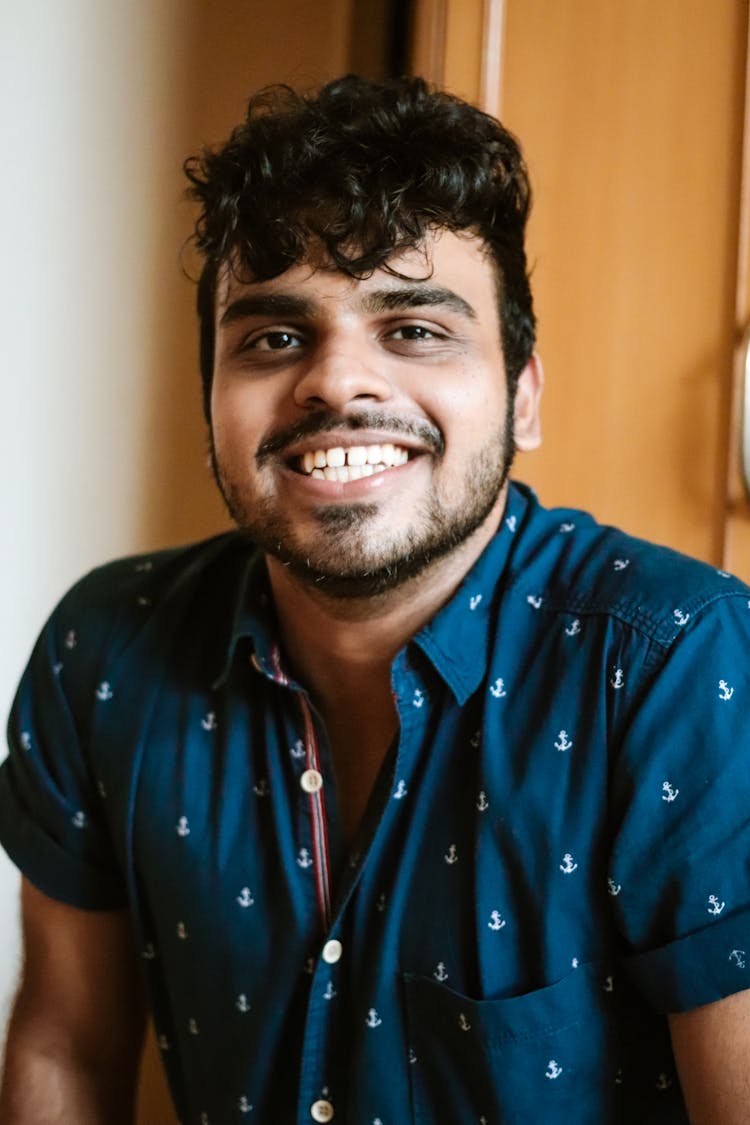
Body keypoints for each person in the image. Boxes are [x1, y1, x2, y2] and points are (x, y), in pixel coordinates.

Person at [1, 74, 749, 1125]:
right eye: (272, 338)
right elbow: (67, 1048)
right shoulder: (105, 652)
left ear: (524, 391)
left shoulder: (681, 662)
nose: (336, 384)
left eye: (415, 330)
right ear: (210, 394)